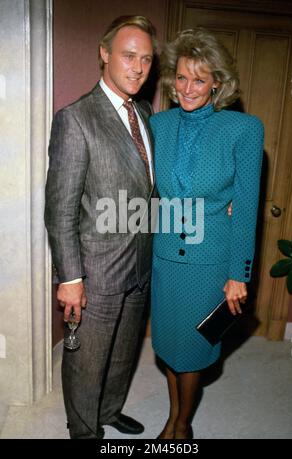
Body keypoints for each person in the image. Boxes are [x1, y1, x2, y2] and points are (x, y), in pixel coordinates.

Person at [45, 15, 157, 439]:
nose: (139, 67)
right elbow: (60, 209)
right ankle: (85, 431)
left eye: (146, 59)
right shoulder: (75, 119)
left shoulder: (145, 113)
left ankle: (109, 410)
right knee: (87, 362)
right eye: (129, 55)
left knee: (123, 355)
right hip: (96, 271)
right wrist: (70, 278)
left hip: (139, 265)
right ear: (104, 54)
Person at [149, 28, 264, 439]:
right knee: (168, 346)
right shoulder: (156, 124)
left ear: (217, 82)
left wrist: (239, 274)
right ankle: (173, 416)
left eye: (199, 79)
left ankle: (180, 426)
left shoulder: (244, 129)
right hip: (165, 260)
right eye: (181, 77)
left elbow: (247, 208)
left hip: (211, 263)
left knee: (193, 351)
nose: (188, 88)